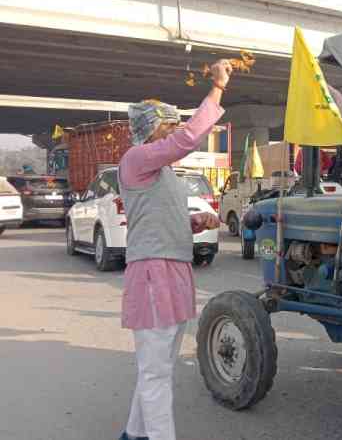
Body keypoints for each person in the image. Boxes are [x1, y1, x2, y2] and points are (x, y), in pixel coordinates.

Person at [117, 59, 232, 440]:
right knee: (156, 373)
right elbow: (186, 141)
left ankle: (133, 434)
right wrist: (216, 89)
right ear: (150, 129)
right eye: (167, 126)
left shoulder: (160, 171)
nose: (174, 132)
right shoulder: (136, 159)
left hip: (173, 271)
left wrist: (193, 223)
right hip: (153, 273)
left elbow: (157, 217)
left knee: (159, 366)